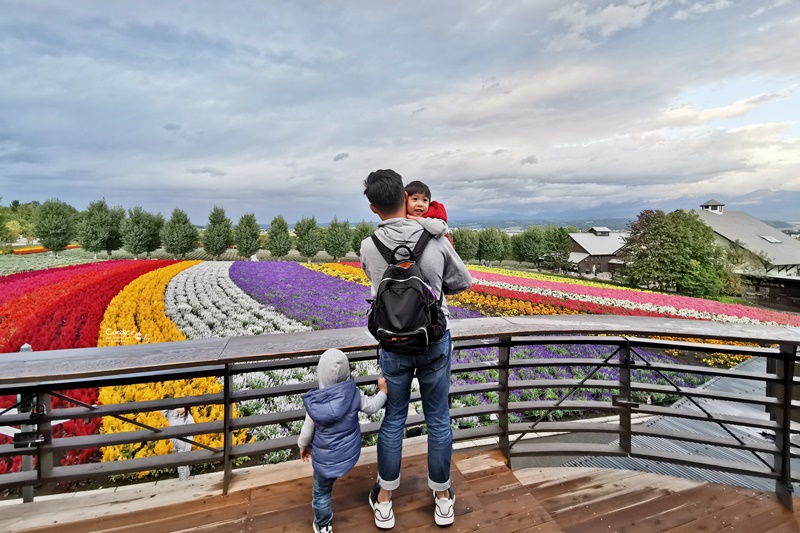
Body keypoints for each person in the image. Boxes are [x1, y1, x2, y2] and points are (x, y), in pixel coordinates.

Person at [360, 169, 472, 529]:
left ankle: (384, 499)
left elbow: (377, 285)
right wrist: (433, 291)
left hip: (392, 345)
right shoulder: (435, 238)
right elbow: (463, 281)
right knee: (438, 418)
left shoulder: (368, 246)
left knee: (393, 418)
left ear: (375, 207)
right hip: (434, 339)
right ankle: (442, 497)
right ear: (406, 199)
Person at [298, 348, 388, 533]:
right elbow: (371, 407)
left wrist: (303, 446)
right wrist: (383, 392)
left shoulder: (315, 404)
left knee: (321, 493)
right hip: (349, 453)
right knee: (325, 485)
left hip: (325, 460)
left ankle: (323, 525)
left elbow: (307, 433)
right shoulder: (353, 395)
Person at [405, 180, 452, 244]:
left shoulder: (433, 214)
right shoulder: (401, 215)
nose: (420, 204)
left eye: (425, 200)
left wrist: (418, 219)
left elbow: (439, 229)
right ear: (406, 200)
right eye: (415, 199)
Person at [162, 405, 194, 480]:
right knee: (181, 463)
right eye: (177, 407)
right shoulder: (172, 414)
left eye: (181, 407)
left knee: (181, 465)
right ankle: (187, 478)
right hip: (174, 443)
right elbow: (163, 411)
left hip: (183, 444)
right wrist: (170, 403)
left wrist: (187, 449)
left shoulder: (189, 419)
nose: (178, 409)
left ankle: (183, 480)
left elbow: (190, 435)